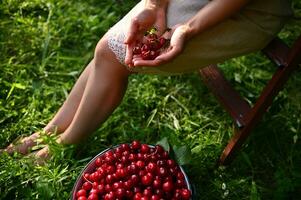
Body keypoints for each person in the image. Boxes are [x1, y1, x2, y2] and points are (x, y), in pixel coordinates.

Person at [2, 0, 292, 159]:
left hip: (249, 8)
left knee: (115, 54)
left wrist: (187, 29)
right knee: (108, 49)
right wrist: (155, 4)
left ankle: (63, 144)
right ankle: (50, 133)